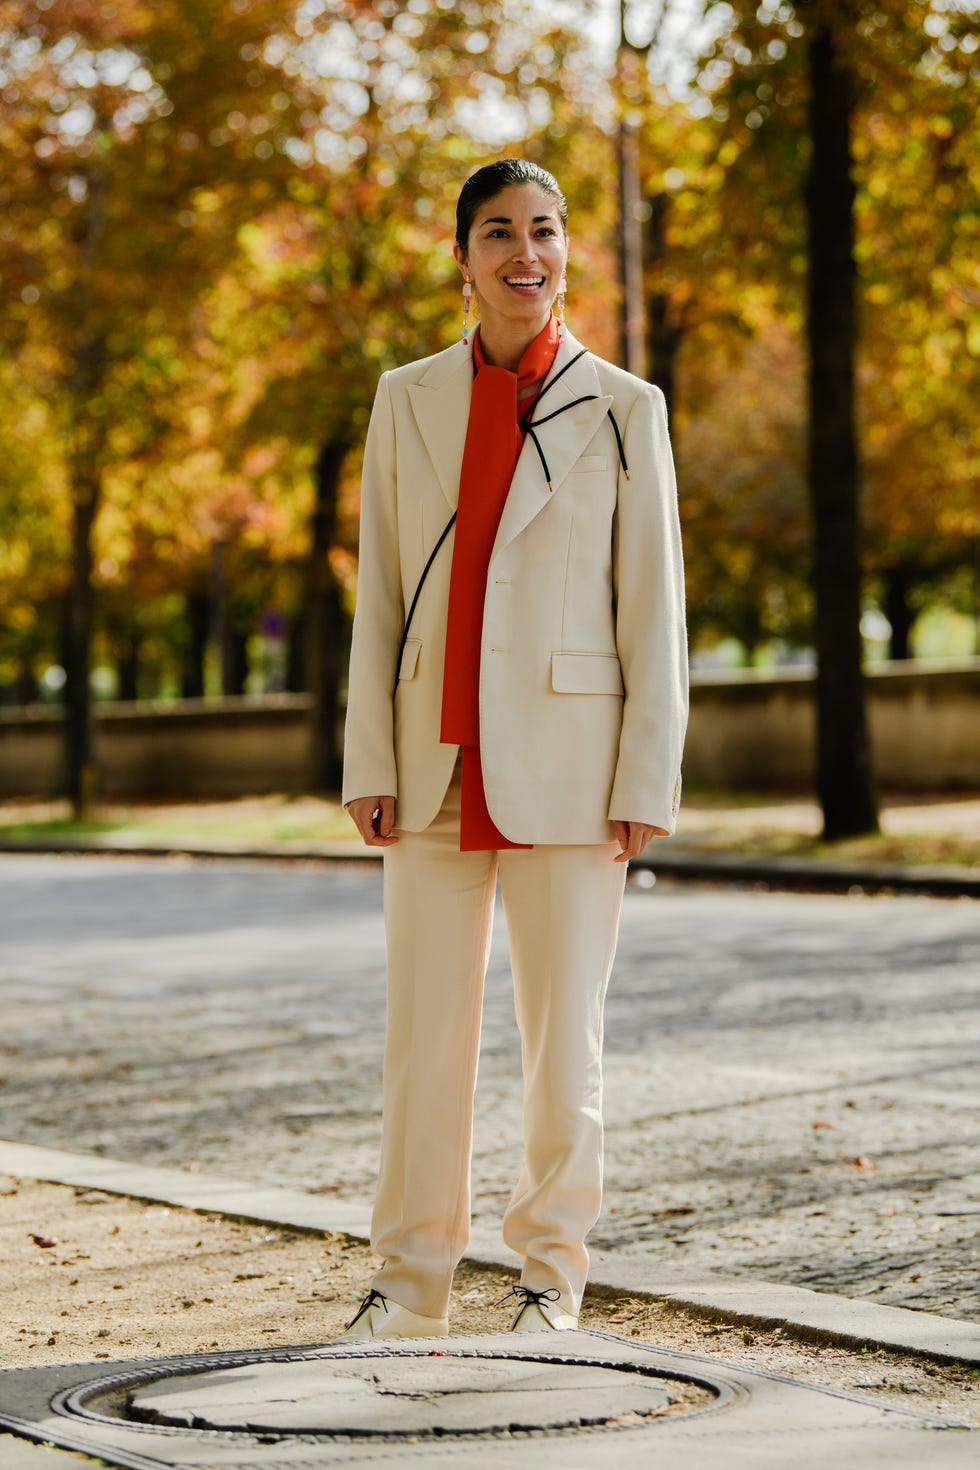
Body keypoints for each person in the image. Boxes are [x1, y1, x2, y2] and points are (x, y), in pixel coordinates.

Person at [340, 158, 687, 1340]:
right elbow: (381, 592)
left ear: (564, 252)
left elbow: (652, 606)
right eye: (498, 232)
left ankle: (551, 1280)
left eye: (542, 230)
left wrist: (646, 775)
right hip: (431, 764)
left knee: (562, 1048)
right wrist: (367, 759)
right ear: (462, 256)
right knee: (420, 1048)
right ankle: (405, 1287)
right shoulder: (405, 397)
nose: (522, 253)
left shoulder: (624, 405)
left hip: (572, 766)